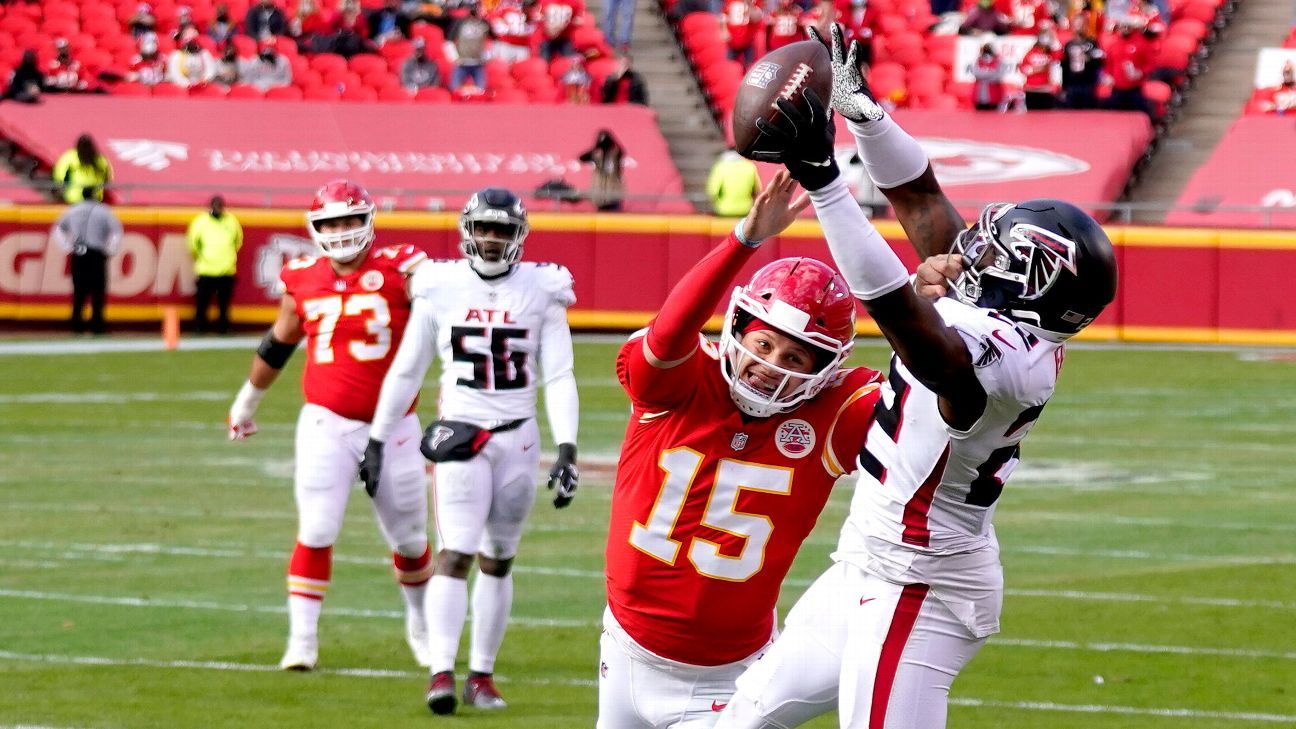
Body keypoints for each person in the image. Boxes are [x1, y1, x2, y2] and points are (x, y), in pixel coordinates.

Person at [714, 24, 1117, 727]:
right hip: (872, 555)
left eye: (997, 250)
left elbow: (894, 309)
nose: (976, 250)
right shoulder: (1007, 314)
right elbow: (923, 201)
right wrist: (867, 114)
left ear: (1031, 280)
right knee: (744, 714)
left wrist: (825, 182)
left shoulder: (1006, 362)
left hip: (921, 582)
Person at [598, 170, 884, 729]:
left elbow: (934, 395)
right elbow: (667, 333)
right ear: (738, 329)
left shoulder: (836, 412)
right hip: (623, 650)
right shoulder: (681, 383)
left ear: (826, 369)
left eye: (796, 358)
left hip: (727, 679)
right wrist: (743, 240)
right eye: (763, 342)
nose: (770, 364)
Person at [361, 187, 580, 715]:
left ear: (519, 235)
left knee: (500, 557)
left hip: (519, 437)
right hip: (463, 432)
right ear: (467, 229)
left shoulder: (542, 289)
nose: (490, 239)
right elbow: (408, 369)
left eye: (501, 230)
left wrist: (568, 446)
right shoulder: (439, 286)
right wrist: (375, 438)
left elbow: (559, 375)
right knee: (455, 551)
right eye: (483, 228)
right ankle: (440, 672)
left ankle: (481, 674)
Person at [226, 179, 434, 672]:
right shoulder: (301, 277)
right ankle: (302, 641)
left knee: (408, 540)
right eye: (330, 223)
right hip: (326, 423)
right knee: (317, 529)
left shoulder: (404, 269)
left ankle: (423, 626)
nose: (340, 232)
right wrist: (246, 402)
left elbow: (444, 331)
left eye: (349, 221)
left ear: (369, 222)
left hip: (397, 426)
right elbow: (278, 344)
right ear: (314, 229)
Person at [49, 188, 122, 335]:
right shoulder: (104, 211)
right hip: (97, 254)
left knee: (79, 292)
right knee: (98, 292)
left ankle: (76, 325)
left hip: (79, 254)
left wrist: (67, 247)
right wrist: (110, 250)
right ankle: (97, 326)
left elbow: (58, 229)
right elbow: (116, 232)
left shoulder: (73, 210)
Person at [187, 195, 244, 334]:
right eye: (215, 206)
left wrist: (229, 257)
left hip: (226, 270)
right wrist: (203, 257)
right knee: (202, 303)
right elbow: (193, 243)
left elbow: (238, 241)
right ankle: (200, 328)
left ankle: (223, 328)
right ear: (210, 206)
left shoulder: (231, 221)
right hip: (206, 269)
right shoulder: (201, 222)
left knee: (224, 304)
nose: (218, 209)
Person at [52, 134, 112, 204]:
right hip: (93, 199)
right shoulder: (101, 159)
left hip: (74, 199)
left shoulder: (70, 156)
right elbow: (108, 178)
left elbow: (59, 175)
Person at [1061, 19, 1103, 109]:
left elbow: (1099, 63)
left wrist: (1089, 59)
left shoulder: (1092, 43)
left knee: (1089, 114)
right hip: (1072, 85)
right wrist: (1064, 87)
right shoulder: (1069, 45)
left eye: (1081, 24)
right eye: (1077, 25)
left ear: (1086, 26)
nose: (1079, 27)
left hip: (1088, 84)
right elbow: (1064, 66)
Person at [578, 129, 625, 212]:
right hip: (600, 197)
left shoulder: (615, 156)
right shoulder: (597, 157)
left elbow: (622, 151)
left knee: (613, 220)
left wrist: (612, 141)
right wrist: (596, 147)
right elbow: (582, 158)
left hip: (613, 195)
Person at [706, 148, 760, 217]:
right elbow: (757, 190)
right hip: (745, 210)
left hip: (724, 210)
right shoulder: (750, 167)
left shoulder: (720, 167)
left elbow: (713, 191)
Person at [969, 42, 1006, 110]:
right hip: (979, 93)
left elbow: (998, 76)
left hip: (994, 93)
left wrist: (984, 75)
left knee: (993, 114)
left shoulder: (999, 61)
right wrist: (990, 73)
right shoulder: (978, 60)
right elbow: (975, 73)